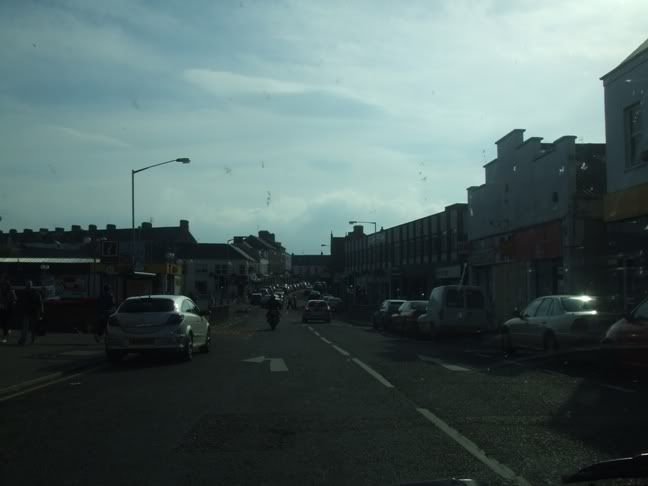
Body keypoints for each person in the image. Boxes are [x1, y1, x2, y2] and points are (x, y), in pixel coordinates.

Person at [18, 280, 43, 345]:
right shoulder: (27, 292)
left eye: (28, 284)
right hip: (29, 312)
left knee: (30, 327)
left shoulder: (34, 293)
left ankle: (29, 340)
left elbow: (40, 303)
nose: (28, 286)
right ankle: (25, 340)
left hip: (33, 312)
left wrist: (41, 311)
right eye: (27, 284)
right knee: (27, 327)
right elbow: (40, 303)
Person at [0, 278, 17, 344]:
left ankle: (4, 337)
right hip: (2, 309)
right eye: (3, 285)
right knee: (3, 323)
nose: (4, 286)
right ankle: (6, 332)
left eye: (6, 285)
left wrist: (12, 304)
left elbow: (15, 299)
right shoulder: (1, 291)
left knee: (5, 323)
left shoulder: (11, 292)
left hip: (8, 309)